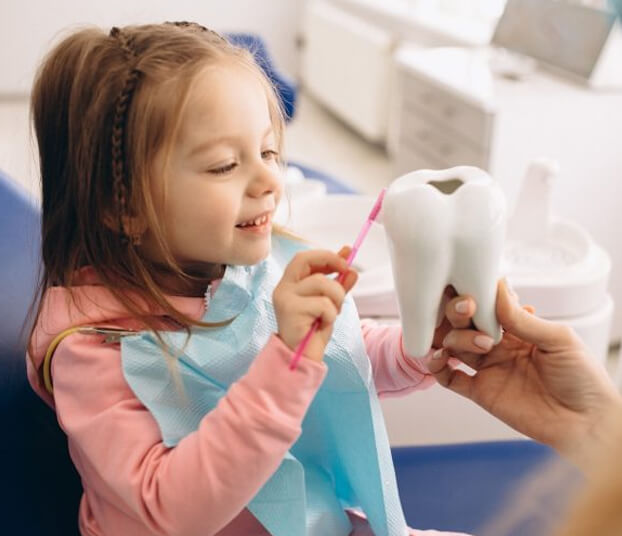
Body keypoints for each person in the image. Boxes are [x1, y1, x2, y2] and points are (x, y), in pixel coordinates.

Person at [26, 22, 475, 536]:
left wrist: (416, 348)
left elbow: (339, 350)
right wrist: (287, 357)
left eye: (267, 152)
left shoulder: (246, 263)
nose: (269, 181)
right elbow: (169, 509)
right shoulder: (91, 350)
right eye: (223, 166)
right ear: (122, 207)